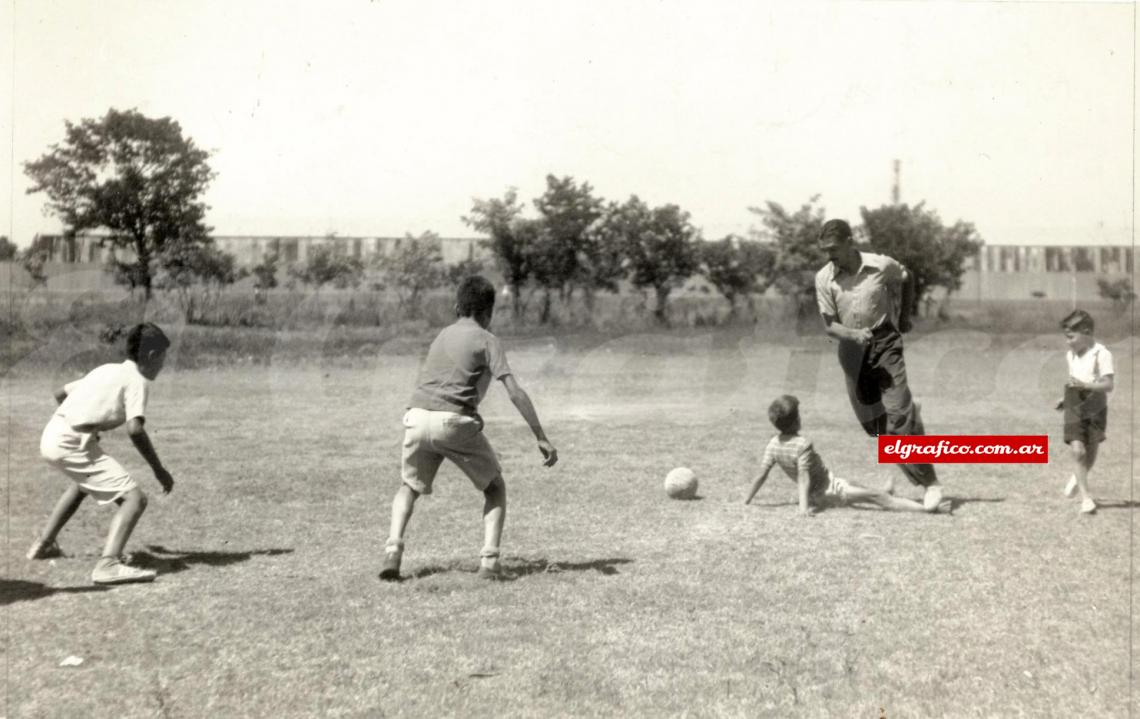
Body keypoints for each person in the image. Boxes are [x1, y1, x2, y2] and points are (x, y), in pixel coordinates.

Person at [380, 276, 557, 581]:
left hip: (417, 416)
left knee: (408, 487)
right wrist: (540, 436)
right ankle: (489, 562)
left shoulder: (442, 335)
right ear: (489, 312)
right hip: (453, 422)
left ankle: (393, 552)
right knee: (495, 487)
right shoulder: (487, 339)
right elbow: (514, 391)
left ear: (456, 306)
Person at [26, 323, 175, 585]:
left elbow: (60, 392)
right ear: (152, 357)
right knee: (135, 499)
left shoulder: (107, 369)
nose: (163, 366)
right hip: (70, 442)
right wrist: (159, 470)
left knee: (82, 485)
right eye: (163, 358)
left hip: (52, 434)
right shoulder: (137, 381)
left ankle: (44, 544)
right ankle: (108, 565)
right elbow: (135, 429)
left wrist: (84, 423)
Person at [813, 218, 943, 511]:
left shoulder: (881, 265)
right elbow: (830, 326)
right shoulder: (824, 278)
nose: (829, 256)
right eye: (824, 250)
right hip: (851, 352)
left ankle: (931, 484)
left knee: (897, 420)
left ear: (850, 241)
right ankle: (911, 416)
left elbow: (907, 278)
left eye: (833, 249)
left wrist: (906, 315)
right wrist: (853, 334)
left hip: (885, 344)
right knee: (877, 430)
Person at [744, 395, 936, 514]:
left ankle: (886, 491)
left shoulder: (773, 444)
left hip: (825, 487)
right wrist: (803, 509)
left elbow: (762, 474)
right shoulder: (802, 444)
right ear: (796, 421)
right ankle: (925, 509)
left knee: (856, 486)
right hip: (828, 492)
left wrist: (747, 499)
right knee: (875, 497)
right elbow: (803, 477)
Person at [1054, 309, 1114, 515]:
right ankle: (1086, 498)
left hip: (1096, 405)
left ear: (1086, 332)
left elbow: (1108, 385)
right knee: (1077, 450)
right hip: (1074, 402)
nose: (1067, 342)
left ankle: (1077, 477)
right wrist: (1066, 398)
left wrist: (1086, 386)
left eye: (1071, 337)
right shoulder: (1070, 355)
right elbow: (1074, 379)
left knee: (1091, 450)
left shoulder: (1102, 354)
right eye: (1066, 337)